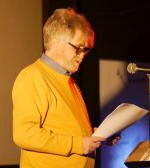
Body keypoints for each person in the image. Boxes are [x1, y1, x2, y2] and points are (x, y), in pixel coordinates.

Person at [12, 8, 118, 168]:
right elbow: (24, 134)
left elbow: (69, 130)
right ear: (56, 41)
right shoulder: (33, 76)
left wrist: (100, 135)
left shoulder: (69, 82)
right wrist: (77, 144)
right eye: (78, 47)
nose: (82, 54)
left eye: (86, 49)